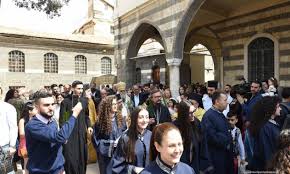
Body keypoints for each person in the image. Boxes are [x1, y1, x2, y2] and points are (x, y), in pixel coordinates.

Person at [25, 91, 83, 174]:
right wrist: (74, 115)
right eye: (46, 105)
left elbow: (58, 139)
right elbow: (59, 137)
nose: (51, 108)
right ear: (36, 107)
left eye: (52, 104)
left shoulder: (52, 121)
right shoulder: (33, 125)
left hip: (58, 169)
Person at [59, 80, 92, 174]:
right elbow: (63, 120)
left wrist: (89, 126)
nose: (81, 90)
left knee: (82, 158)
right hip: (70, 135)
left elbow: (86, 116)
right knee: (70, 159)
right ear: (73, 88)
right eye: (78, 88)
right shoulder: (65, 102)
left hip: (81, 134)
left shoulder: (84, 101)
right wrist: (64, 135)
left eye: (82, 89)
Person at [174, 101, 213, 173]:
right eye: (190, 113)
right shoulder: (175, 127)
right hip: (180, 165)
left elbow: (203, 145)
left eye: (193, 112)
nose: (193, 115)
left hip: (195, 163)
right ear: (183, 114)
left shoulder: (197, 123)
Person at [201, 91, 234, 174]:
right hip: (216, 158)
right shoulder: (208, 116)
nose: (227, 103)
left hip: (225, 156)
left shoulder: (221, 114)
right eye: (225, 100)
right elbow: (212, 137)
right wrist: (227, 139)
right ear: (217, 101)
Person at [93, 95, 126, 174]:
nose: (115, 106)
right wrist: (111, 144)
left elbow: (125, 133)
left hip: (120, 156)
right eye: (113, 104)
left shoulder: (121, 120)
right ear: (107, 106)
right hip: (106, 158)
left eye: (116, 104)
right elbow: (96, 140)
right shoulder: (100, 123)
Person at [112, 108, 152, 174]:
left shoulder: (151, 135)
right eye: (141, 117)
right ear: (134, 119)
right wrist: (133, 169)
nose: (145, 120)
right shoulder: (125, 138)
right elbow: (117, 166)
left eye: (147, 117)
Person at [248, 96, 281, 171]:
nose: (280, 109)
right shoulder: (265, 127)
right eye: (278, 106)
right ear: (271, 109)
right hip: (266, 167)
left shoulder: (269, 124)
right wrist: (271, 169)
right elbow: (266, 151)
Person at [0, 86, 18, 174]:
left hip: (4, 147)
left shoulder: (8, 107)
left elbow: (13, 127)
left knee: (7, 171)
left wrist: (12, 145)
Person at [18, 101, 38, 174]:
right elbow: (22, 134)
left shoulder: (36, 120)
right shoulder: (22, 121)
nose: (37, 110)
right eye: (35, 109)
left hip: (35, 144)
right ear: (30, 111)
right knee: (26, 163)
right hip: (24, 145)